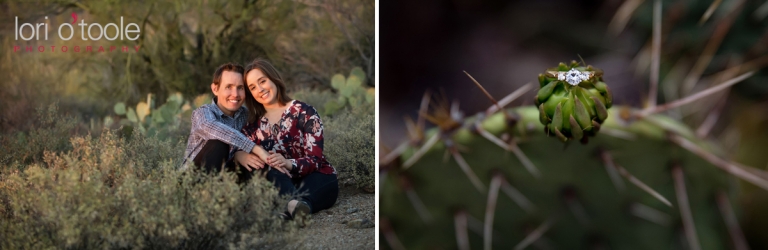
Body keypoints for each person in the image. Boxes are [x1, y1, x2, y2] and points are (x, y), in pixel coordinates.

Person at [235, 58, 339, 219]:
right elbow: (238, 146)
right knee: (269, 171)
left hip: (314, 176)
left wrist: (288, 163)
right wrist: (239, 154)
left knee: (319, 188)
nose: (260, 89)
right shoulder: (252, 125)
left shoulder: (305, 113)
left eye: (263, 81)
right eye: (253, 87)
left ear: (274, 79)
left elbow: (315, 160)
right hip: (278, 180)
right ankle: (293, 208)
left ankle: (288, 210)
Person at [182, 63, 280, 182]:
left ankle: (284, 197)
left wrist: (240, 155)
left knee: (256, 161)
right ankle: (202, 196)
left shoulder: (247, 115)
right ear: (215, 89)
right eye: (229, 87)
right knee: (219, 144)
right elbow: (214, 129)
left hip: (228, 182)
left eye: (240, 88)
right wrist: (253, 149)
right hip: (191, 181)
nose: (235, 94)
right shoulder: (202, 113)